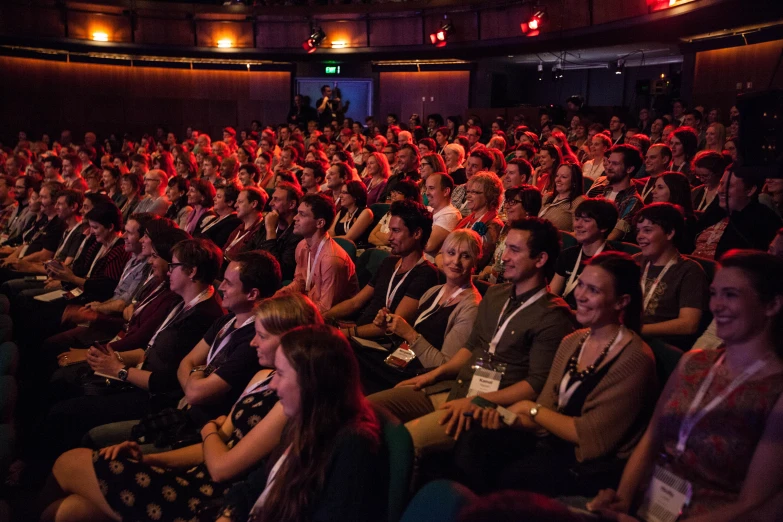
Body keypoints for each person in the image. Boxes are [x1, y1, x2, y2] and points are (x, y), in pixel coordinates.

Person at [40, 294, 322, 522]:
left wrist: (210, 429)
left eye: (261, 335)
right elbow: (209, 444)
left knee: (70, 461)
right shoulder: (264, 376)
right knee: (68, 511)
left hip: (218, 496)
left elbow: (223, 468)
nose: (252, 342)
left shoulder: (293, 397)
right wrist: (148, 461)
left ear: (290, 339)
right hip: (197, 472)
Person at [368, 218, 576, 484]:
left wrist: (477, 401)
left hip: (489, 407)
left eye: (515, 250)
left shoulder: (553, 316)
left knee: (405, 442)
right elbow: (472, 346)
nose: (505, 257)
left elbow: (535, 384)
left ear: (540, 259)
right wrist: (432, 376)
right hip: (455, 388)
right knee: (369, 410)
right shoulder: (497, 295)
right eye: (506, 248)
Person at [588, 250, 783, 520]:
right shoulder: (693, 364)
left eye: (731, 295)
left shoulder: (775, 390)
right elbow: (652, 438)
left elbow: (756, 503)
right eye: (714, 294)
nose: (716, 305)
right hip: (647, 504)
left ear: (772, 305)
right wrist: (621, 500)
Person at [454, 252, 657, 496]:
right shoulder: (573, 341)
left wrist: (530, 409)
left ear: (621, 302)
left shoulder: (634, 358)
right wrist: (505, 417)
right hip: (549, 444)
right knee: (474, 440)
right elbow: (544, 411)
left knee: (515, 476)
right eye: (580, 284)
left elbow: (590, 437)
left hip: (588, 464)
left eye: (593, 290)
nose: (580, 295)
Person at [216, 324, 388, 522]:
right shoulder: (302, 422)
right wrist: (228, 515)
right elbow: (256, 486)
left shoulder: (353, 446)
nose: (272, 385)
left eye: (280, 374)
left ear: (312, 382)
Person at [357, 229, 483, 395]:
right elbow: (409, 343)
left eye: (465, 256)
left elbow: (445, 367)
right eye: (451, 253)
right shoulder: (433, 292)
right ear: (442, 255)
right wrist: (390, 327)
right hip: (400, 363)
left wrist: (409, 334)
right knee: (349, 351)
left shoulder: (471, 307)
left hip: (422, 378)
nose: (456, 261)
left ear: (475, 262)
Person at [326, 200, 439, 339]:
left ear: (417, 233)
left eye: (396, 231)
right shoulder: (389, 262)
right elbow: (355, 302)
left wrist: (342, 334)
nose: (389, 238)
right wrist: (322, 317)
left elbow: (393, 326)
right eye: (390, 230)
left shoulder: (426, 273)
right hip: (359, 334)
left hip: (379, 345)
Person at [635, 203, 708, 349]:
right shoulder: (635, 261)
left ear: (669, 233)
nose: (639, 237)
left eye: (647, 230)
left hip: (661, 347)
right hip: (629, 339)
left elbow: (688, 324)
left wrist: (637, 329)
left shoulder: (689, 270)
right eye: (638, 231)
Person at [277, 192, 358, 314]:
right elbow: (301, 282)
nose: (295, 218)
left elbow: (326, 309)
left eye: (302, 214)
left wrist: (292, 312)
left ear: (320, 223)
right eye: (298, 212)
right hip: (310, 306)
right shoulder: (302, 246)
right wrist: (282, 294)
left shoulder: (331, 259)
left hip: (332, 319)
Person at [693, 165, 782, 259]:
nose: (721, 190)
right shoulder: (714, 215)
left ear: (750, 190)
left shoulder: (765, 221)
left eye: (729, 186)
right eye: (721, 184)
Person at [551, 198, 619, 309]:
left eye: (586, 221)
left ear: (604, 227)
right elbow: (553, 293)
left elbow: (604, 309)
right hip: (563, 315)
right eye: (577, 219)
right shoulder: (568, 254)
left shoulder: (611, 263)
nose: (578, 225)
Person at [479, 185, 542, 284]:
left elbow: (520, 271)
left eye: (513, 202)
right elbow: (494, 261)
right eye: (507, 201)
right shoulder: (507, 227)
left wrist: (490, 271)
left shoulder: (533, 235)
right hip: (491, 282)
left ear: (528, 208)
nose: (507, 206)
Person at [586, 144, 644, 241]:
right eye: (609, 162)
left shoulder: (633, 202)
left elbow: (614, 236)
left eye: (615, 164)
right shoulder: (599, 190)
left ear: (629, 169)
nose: (608, 167)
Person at [249, 181, 303, 282]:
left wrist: (270, 231)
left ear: (291, 204)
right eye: (272, 198)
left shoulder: (297, 234)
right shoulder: (268, 222)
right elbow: (251, 249)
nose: (270, 203)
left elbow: (279, 270)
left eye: (276, 199)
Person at [452, 171, 505, 270]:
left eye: (474, 192)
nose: (468, 196)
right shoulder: (466, 220)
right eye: (468, 191)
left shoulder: (493, 225)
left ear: (489, 196)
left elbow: (479, 261)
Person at [367, 180, 421, 251]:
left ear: (410, 198)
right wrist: (387, 241)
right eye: (393, 192)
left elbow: (391, 239)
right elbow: (371, 237)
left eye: (398, 193)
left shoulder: (409, 216)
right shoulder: (389, 212)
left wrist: (379, 234)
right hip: (379, 250)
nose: (393, 195)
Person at [424, 173, 461, 260]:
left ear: (445, 191)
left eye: (431, 188)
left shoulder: (450, 215)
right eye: (426, 188)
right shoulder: (428, 210)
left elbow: (429, 245)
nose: (427, 193)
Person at [538, 163, 585, 232]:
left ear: (574, 181)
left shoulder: (579, 201)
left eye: (564, 177)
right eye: (557, 176)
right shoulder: (547, 197)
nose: (557, 180)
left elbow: (578, 232)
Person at [223, 187, 266, 261]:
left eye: (240, 202)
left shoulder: (260, 232)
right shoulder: (239, 227)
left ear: (254, 204)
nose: (235, 205)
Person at [328, 180, 374, 245]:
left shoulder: (366, 212)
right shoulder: (342, 211)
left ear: (355, 196)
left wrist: (329, 240)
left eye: (344, 193)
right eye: (341, 192)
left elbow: (348, 238)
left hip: (356, 250)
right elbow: (331, 232)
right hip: (337, 246)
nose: (340, 196)